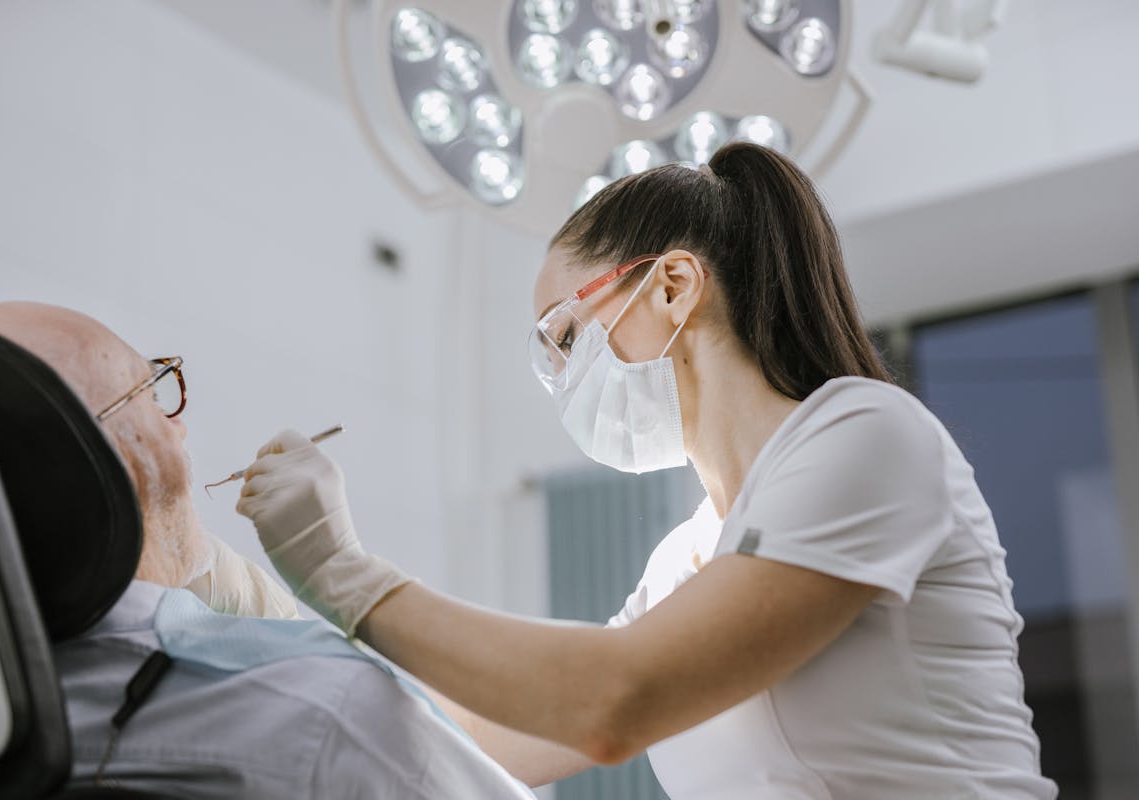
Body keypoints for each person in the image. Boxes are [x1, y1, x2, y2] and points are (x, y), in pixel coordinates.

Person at [236, 143, 1058, 798]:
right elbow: (488, 741)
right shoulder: (686, 560)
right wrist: (264, 617)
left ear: (672, 286)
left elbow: (614, 702)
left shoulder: (866, 436)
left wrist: (344, 574)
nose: (562, 377)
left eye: (563, 335)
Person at [0, 301, 534, 799]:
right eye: (153, 392)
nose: (178, 427)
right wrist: (340, 586)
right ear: (120, 456)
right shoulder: (326, 715)